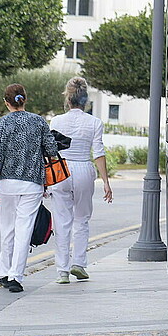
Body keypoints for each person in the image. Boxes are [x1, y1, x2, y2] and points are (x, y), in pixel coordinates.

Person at [0, 83, 59, 293]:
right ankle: (15, 277)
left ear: (6, 102)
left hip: (7, 184)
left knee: (7, 229)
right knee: (24, 230)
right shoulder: (38, 122)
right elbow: (51, 150)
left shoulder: (0, 125)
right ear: (24, 100)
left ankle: (3, 272)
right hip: (32, 184)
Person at [49, 77, 113, 284]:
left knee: (62, 220)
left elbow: (51, 152)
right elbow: (99, 153)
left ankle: (62, 270)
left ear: (68, 98)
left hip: (62, 170)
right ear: (85, 100)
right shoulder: (94, 123)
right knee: (82, 219)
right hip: (84, 169)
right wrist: (105, 181)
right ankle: (79, 263)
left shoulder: (57, 121)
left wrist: (46, 179)